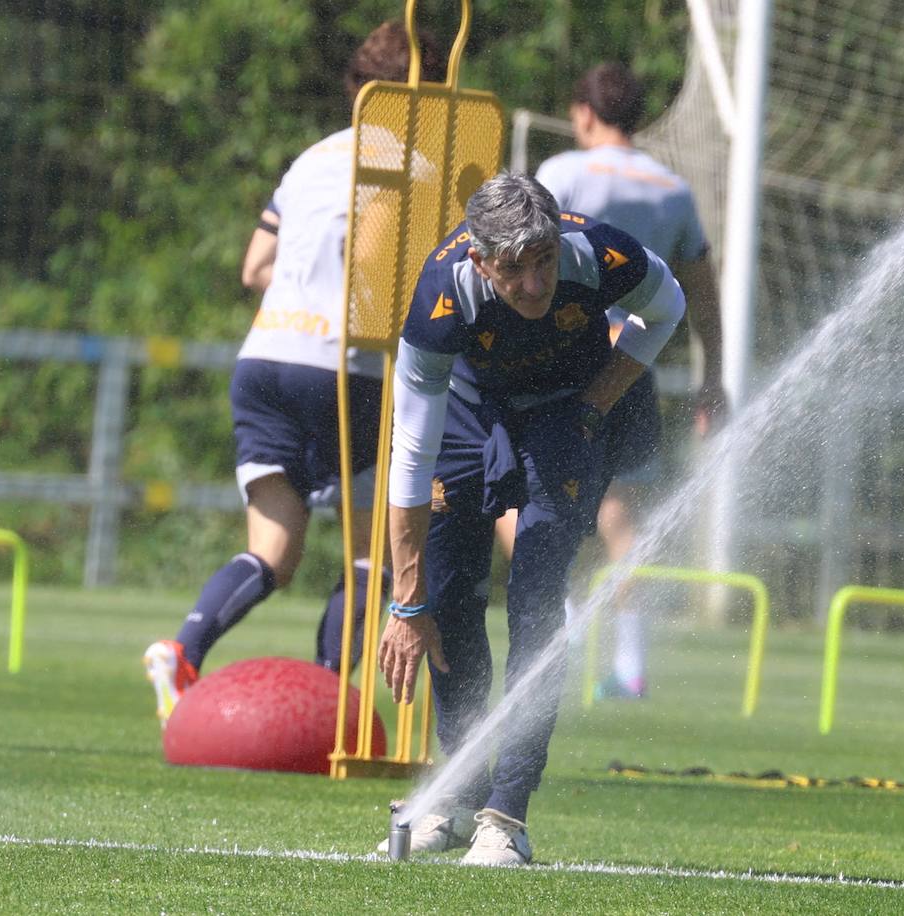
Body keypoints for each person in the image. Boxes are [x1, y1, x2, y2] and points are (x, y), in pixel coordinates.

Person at [376, 173, 685, 865]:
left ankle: (505, 815)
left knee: (538, 597)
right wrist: (405, 594)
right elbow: (412, 452)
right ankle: (457, 799)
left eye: (542, 260)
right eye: (511, 269)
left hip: (565, 407)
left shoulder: (602, 255)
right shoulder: (439, 299)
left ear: (558, 242)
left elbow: (668, 306)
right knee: (448, 597)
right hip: (466, 407)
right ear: (479, 263)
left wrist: (595, 404)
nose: (533, 284)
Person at [141, 21, 443, 728]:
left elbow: (254, 267)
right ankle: (329, 696)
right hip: (349, 367)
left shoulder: (312, 159)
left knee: (271, 552)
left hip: (267, 356)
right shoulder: (421, 171)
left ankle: (181, 650)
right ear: (423, 96)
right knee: (371, 550)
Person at [517, 62, 726, 699]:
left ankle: (558, 625)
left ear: (583, 112)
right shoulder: (672, 191)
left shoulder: (562, 175)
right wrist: (711, 378)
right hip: (634, 365)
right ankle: (630, 667)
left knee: (517, 496)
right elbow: (701, 296)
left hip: (564, 358)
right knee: (620, 518)